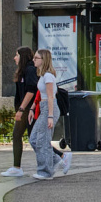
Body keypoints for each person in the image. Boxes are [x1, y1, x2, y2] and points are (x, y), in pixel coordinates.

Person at [3, 46, 38, 178]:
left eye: (17, 55)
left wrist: (21, 109)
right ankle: (16, 167)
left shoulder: (30, 70)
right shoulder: (24, 70)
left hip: (29, 109)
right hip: (25, 109)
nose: (14, 58)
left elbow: (31, 91)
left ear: (22, 56)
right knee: (20, 135)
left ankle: (60, 157)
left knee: (33, 138)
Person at [30, 49, 62, 179]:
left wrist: (50, 116)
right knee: (34, 139)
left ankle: (45, 172)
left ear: (44, 60)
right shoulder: (43, 76)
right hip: (44, 108)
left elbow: (50, 97)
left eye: (36, 58)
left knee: (43, 140)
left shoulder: (48, 76)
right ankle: (55, 160)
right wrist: (33, 108)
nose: (34, 60)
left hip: (49, 108)